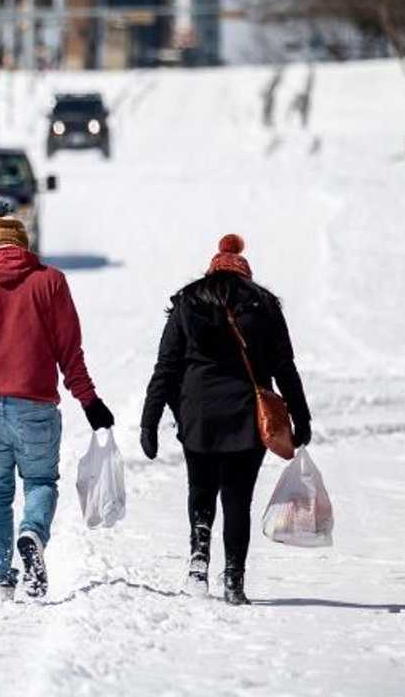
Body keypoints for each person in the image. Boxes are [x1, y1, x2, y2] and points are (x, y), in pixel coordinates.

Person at [0, 203, 115, 600]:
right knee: (40, 481)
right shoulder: (52, 282)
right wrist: (90, 402)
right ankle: (31, 532)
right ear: (24, 245)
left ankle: (1, 580)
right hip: (35, 406)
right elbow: (71, 353)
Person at [139, 234, 311, 606]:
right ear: (245, 273)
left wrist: (149, 421)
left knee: (200, 490)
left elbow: (166, 367)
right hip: (247, 417)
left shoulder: (187, 302)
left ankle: (198, 564)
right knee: (237, 499)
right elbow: (284, 367)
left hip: (198, 414)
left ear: (212, 270)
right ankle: (234, 579)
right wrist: (301, 416)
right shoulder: (263, 305)